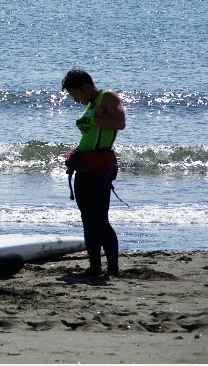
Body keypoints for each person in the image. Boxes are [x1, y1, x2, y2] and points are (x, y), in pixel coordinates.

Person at [62, 68, 125, 278]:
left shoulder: (106, 97)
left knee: (100, 219)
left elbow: (120, 122)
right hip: (84, 166)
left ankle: (113, 268)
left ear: (86, 87)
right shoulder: (90, 104)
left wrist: (99, 120)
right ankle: (94, 266)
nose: (76, 100)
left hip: (99, 167)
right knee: (87, 219)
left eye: (76, 94)